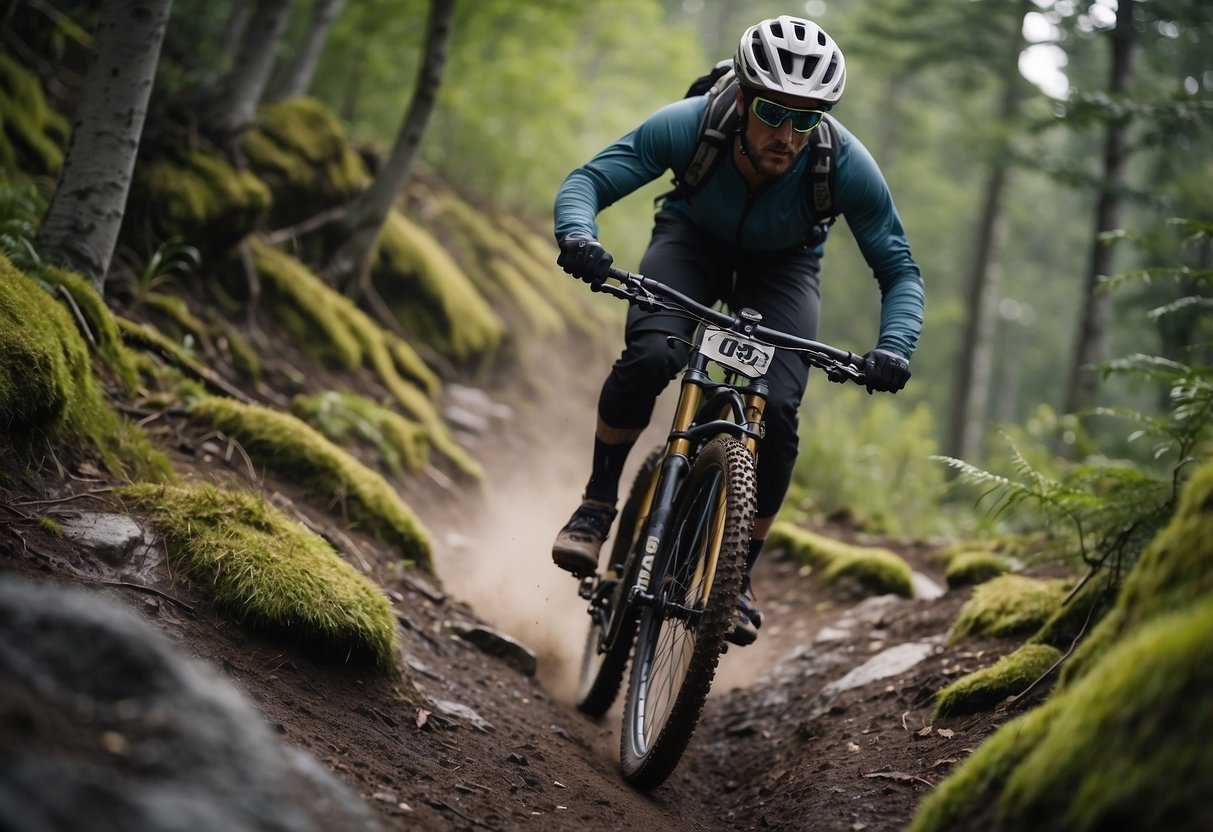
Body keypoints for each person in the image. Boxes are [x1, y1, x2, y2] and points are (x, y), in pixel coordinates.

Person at [550, 15, 924, 646]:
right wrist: (580, 236)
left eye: (805, 119)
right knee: (650, 356)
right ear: (744, 98)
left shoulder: (844, 162)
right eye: (774, 111)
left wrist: (894, 347)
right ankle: (597, 504)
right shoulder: (691, 124)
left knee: (777, 410)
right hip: (689, 242)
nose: (787, 134)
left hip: (784, 268)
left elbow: (899, 269)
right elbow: (588, 181)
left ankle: (738, 576)